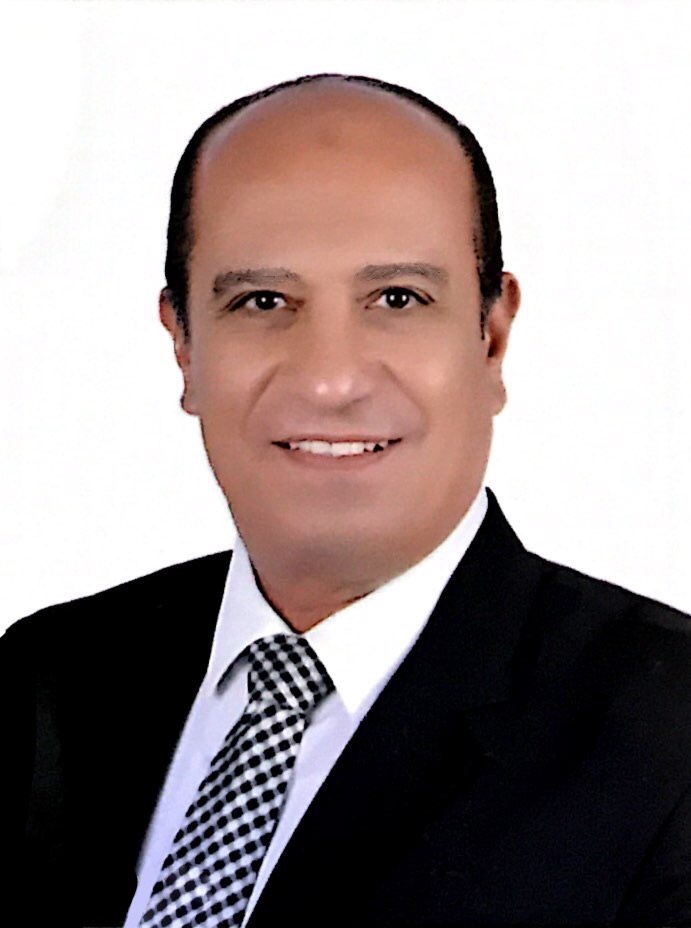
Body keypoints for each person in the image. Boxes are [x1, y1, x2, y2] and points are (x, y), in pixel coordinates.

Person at [2, 72, 691, 928]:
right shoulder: (46, 677)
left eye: (398, 299)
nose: (330, 380)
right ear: (183, 346)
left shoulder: (666, 737)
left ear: (490, 338)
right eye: (261, 301)